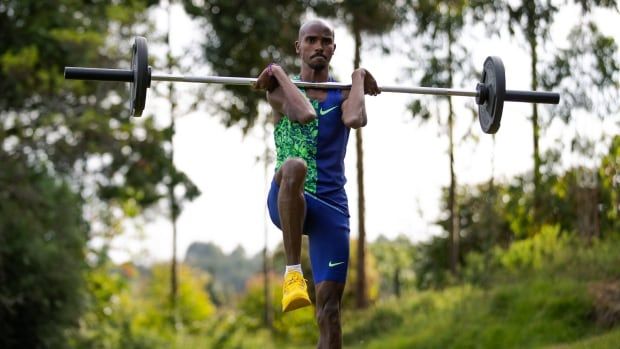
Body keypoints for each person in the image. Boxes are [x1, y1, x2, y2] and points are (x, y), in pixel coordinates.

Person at [254, 18, 379, 348]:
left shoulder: (343, 93)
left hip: (332, 207)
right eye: (311, 40)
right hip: (288, 196)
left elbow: (355, 119)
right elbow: (305, 112)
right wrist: (278, 73)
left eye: (326, 41)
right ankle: (293, 273)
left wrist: (358, 77)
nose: (319, 46)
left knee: (330, 312)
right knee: (295, 166)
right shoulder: (279, 91)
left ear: (333, 49)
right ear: (300, 47)